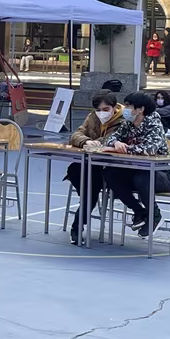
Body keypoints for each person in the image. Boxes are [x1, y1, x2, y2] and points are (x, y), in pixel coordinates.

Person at [101, 92, 170, 238]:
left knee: (142, 175)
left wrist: (123, 149)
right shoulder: (128, 123)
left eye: (128, 106)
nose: (125, 109)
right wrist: (116, 142)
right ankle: (139, 211)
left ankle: (155, 215)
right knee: (110, 173)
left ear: (140, 109)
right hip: (136, 170)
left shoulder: (154, 124)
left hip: (161, 174)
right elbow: (110, 139)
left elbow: (149, 149)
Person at [66, 89, 124, 245]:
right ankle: (84, 208)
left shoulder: (124, 121)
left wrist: (96, 143)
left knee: (91, 186)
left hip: (109, 166)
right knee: (74, 170)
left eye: (106, 109)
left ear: (114, 107)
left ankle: (77, 226)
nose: (101, 113)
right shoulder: (92, 117)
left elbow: (109, 140)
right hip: (89, 163)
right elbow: (76, 134)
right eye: (98, 110)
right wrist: (86, 141)